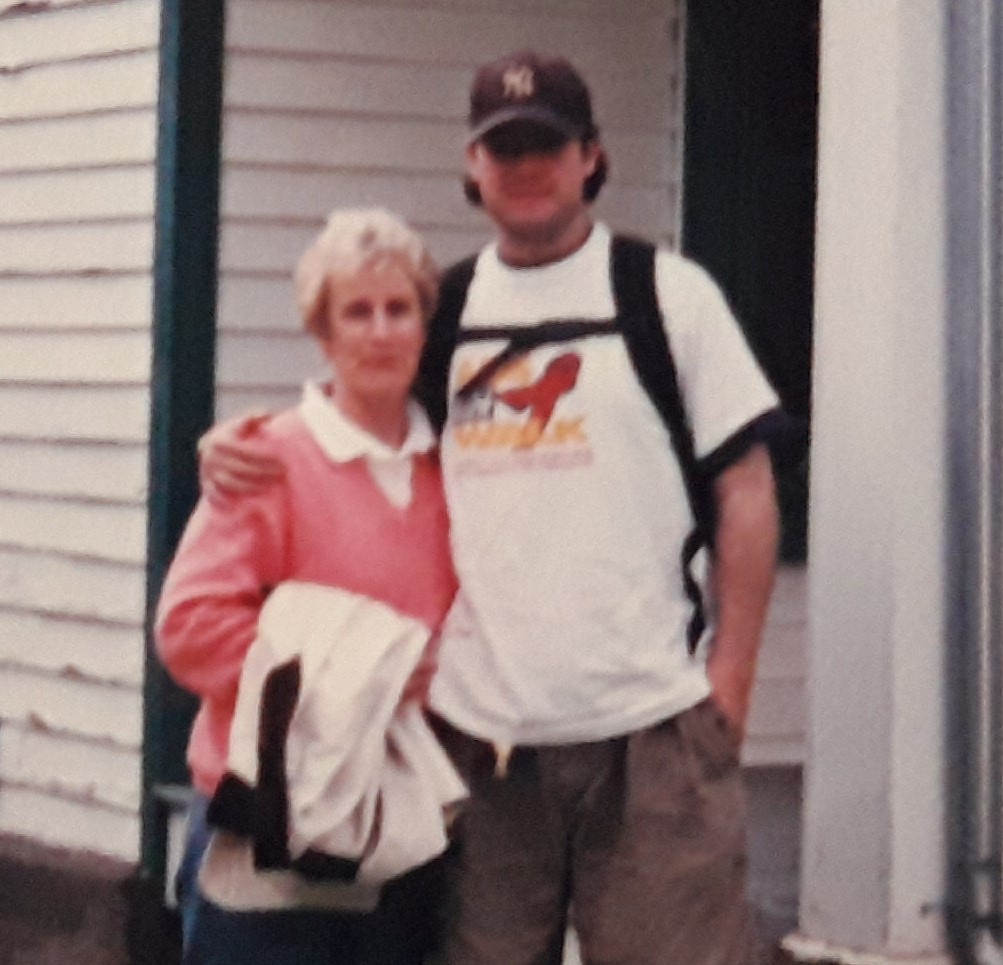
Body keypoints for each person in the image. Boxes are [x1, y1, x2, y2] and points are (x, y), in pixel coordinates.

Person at [201, 51, 782, 965]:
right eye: (500, 147)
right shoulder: (450, 312)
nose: (523, 166)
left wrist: (732, 682)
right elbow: (359, 417)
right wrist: (239, 444)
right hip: (481, 749)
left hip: (653, 736)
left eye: (545, 144)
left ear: (590, 155)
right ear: (470, 166)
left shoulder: (666, 295)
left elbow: (744, 485)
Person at [156, 208, 462, 965]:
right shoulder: (268, 459)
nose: (381, 330)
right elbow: (190, 628)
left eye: (399, 309)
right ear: (321, 334)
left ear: (426, 327)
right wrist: (361, 678)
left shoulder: (453, 472)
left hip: (400, 824)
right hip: (269, 822)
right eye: (356, 312)